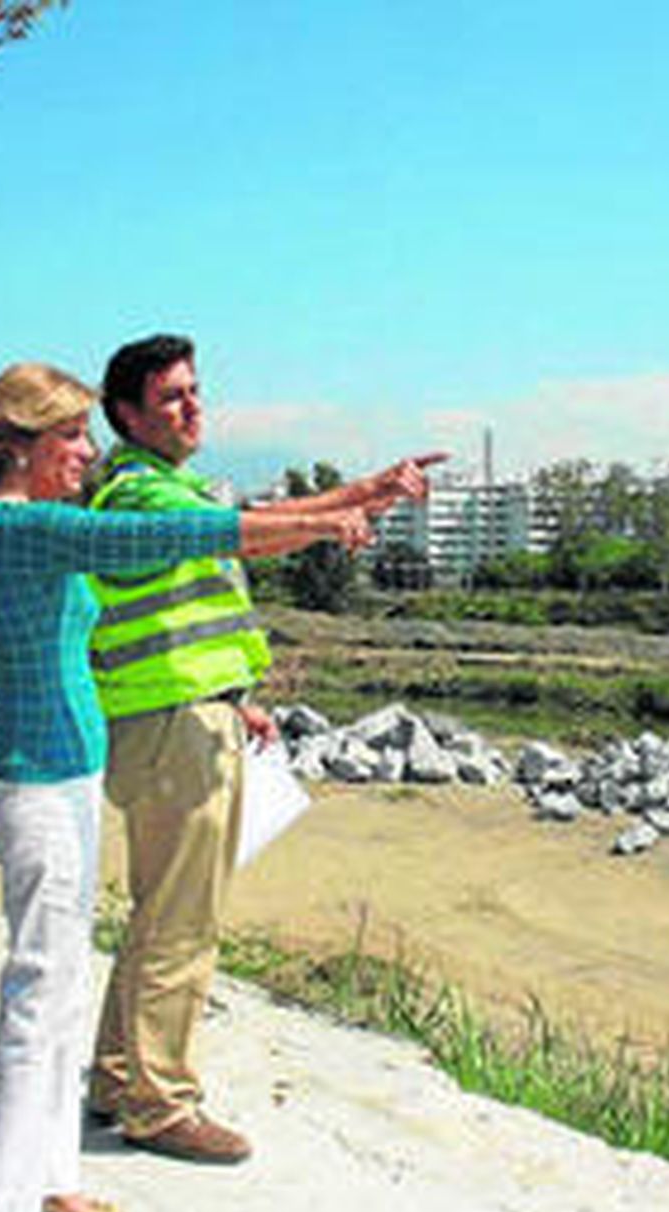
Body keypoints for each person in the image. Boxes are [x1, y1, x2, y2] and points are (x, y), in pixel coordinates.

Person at [0, 362, 369, 1212]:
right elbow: (182, 539)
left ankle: (51, 1177)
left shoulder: (20, 529)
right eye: (72, 438)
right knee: (38, 993)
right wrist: (334, 514)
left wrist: (347, 501)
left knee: (62, 989)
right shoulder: (23, 530)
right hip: (34, 781)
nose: (86, 457)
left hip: (60, 774)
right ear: (22, 444)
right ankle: (2, 1206)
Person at [86, 333, 443, 1163]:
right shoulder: (141, 497)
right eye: (171, 396)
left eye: (196, 391)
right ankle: (161, 1103)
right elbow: (244, 534)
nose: (192, 406)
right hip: (172, 727)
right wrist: (341, 515)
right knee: (182, 924)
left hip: (185, 719)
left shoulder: (165, 486)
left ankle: (118, 1076)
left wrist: (370, 493)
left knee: (157, 916)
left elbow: (253, 526)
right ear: (128, 415)